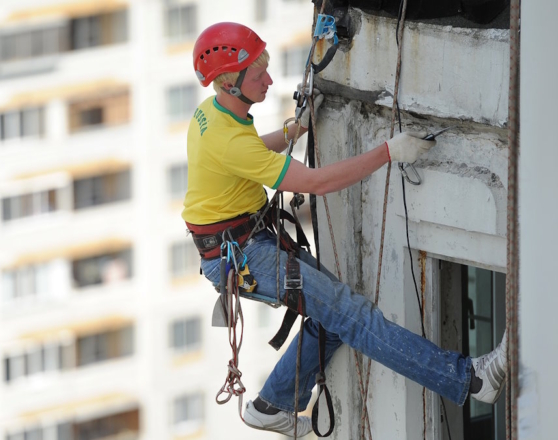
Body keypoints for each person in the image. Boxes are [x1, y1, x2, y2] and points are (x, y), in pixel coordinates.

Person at [182, 22, 508, 437]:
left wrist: (292, 131)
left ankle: (272, 404)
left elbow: (247, 153)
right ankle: (472, 380)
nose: (268, 78)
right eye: (258, 74)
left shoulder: (212, 114)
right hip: (243, 255)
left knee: (335, 317)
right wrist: (389, 151)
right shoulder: (228, 139)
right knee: (355, 318)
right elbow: (317, 182)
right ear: (230, 83)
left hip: (244, 242)